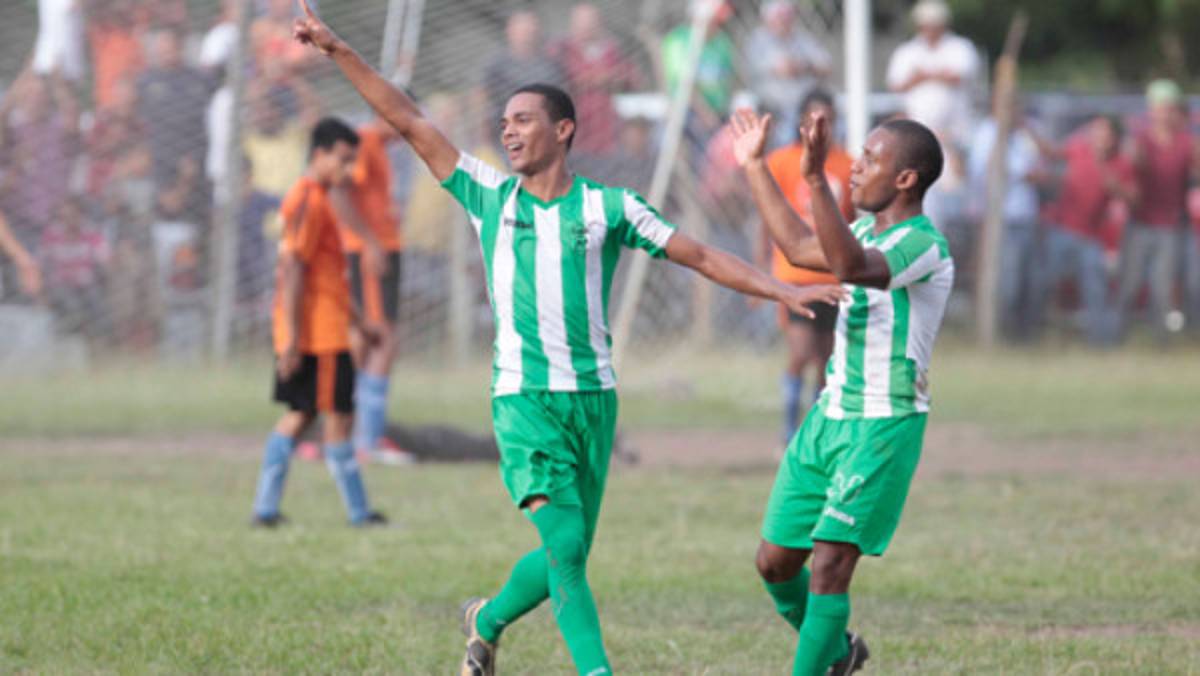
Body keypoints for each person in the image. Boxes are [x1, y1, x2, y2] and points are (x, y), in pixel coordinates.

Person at [291, 4, 844, 673]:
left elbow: (698, 254)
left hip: (594, 401)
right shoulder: (488, 194)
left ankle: (486, 619)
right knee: (565, 542)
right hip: (524, 399)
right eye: (505, 122)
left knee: (570, 551)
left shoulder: (609, 208)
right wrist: (336, 48)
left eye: (523, 120)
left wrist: (781, 288)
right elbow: (406, 119)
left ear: (564, 128)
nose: (509, 131)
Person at [733, 106, 954, 675]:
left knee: (830, 562)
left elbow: (853, 268)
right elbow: (799, 248)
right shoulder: (857, 229)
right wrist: (755, 165)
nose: (855, 169)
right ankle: (840, 654)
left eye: (871, 160)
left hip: (884, 423)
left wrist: (812, 179)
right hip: (829, 416)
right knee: (775, 564)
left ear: (906, 179)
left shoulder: (925, 245)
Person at [250, 117, 388, 528]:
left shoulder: (319, 197)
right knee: (339, 417)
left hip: (325, 327)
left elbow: (329, 279)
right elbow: (293, 270)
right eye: (343, 161)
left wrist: (360, 322)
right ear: (319, 155)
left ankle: (265, 508)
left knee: (303, 414)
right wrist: (292, 339)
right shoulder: (308, 200)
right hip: (319, 335)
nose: (348, 171)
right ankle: (359, 513)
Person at [760, 90, 854, 443]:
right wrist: (761, 265)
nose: (820, 127)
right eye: (814, 119)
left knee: (827, 362)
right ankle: (788, 429)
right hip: (795, 277)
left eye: (827, 119)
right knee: (800, 352)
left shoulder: (846, 165)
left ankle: (815, 433)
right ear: (801, 123)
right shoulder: (783, 162)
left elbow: (853, 222)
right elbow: (767, 217)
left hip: (834, 278)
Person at [329, 116, 405, 458]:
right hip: (369, 252)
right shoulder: (366, 141)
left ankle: (355, 433)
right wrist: (371, 242)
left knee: (368, 340)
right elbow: (338, 191)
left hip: (376, 247)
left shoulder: (379, 146)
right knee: (380, 339)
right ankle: (367, 440)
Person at [1030, 115, 1137, 344]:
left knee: (1096, 290)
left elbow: (1133, 197)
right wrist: (1028, 128)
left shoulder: (1120, 163)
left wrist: (1115, 185)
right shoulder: (1078, 149)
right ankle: (1028, 333)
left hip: (1091, 237)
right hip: (1062, 231)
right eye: (1096, 131)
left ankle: (1101, 342)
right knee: (1042, 282)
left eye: (1105, 133)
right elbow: (1050, 153)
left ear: (1114, 138)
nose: (1099, 137)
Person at [1116, 79, 1199, 342]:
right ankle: (1115, 338)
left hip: (1170, 226)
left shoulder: (1187, 142)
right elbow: (1132, 165)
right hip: (1140, 224)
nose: (1164, 114)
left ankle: (1160, 342)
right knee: (1129, 285)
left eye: (1169, 108)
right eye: (1159, 108)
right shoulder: (1140, 140)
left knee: (1163, 289)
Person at [967, 98, 1044, 342]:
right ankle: (1001, 334)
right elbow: (983, 171)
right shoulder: (987, 133)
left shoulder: (1025, 133)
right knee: (1006, 282)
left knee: (1028, 279)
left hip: (1026, 216)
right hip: (1000, 219)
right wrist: (1021, 172)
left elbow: (1041, 168)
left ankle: (1024, 334)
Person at [550, 4, 640, 156]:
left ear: (599, 23)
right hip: (575, 126)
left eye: (590, 22)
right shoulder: (561, 49)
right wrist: (601, 78)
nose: (586, 27)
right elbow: (564, 79)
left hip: (607, 129)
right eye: (582, 22)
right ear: (573, 24)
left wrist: (602, 79)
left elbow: (631, 77)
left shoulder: (612, 50)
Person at [885, 0, 979, 146]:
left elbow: (960, 76)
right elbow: (896, 85)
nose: (930, 30)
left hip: (956, 133)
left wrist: (922, 76)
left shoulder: (961, 47)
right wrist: (937, 75)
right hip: (917, 132)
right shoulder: (907, 51)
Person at [744, 1, 832, 147]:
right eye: (780, 16)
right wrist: (785, 68)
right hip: (771, 106)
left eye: (788, 16)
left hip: (802, 105)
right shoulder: (759, 40)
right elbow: (776, 68)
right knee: (785, 132)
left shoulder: (801, 38)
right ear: (768, 18)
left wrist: (802, 66)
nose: (785, 21)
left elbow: (826, 66)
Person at [481, 12, 566, 137]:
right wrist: (483, 140)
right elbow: (483, 98)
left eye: (530, 31)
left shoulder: (550, 65)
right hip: (503, 132)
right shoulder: (496, 64)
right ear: (510, 32)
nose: (527, 36)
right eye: (522, 32)